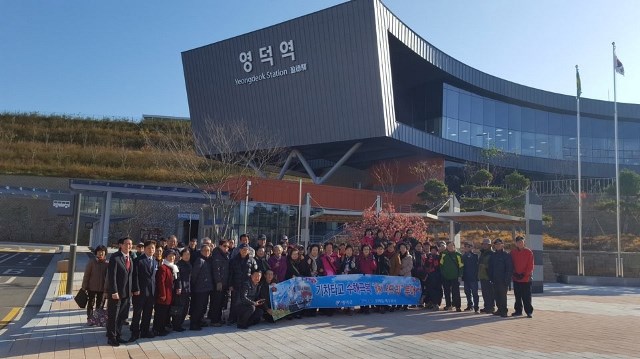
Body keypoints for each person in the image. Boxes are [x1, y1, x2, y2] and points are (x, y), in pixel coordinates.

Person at [106, 237, 134, 347]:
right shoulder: (115, 257)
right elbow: (112, 276)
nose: (129, 246)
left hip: (126, 293)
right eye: (127, 244)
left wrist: (131, 290)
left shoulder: (130, 258)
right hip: (116, 293)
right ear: (121, 245)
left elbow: (130, 276)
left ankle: (118, 335)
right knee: (113, 316)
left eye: (131, 244)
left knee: (121, 316)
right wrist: (114, 291)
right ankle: (111, 337)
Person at [129, 240, 158, 341]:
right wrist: (135, 289)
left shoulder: (155, 261)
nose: (151, 250)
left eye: (153, 248)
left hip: (151, 292)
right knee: (137, 313)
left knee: (148, 313)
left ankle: (145, 331)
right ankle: (135, 332)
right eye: (149, 248)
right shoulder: (138, 260)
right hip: (140, 292)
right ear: (144, 249)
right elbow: (135, 276)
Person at [229, 243, 258, 325]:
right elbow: (231, 273)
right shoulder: (234, 260)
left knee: (245, 302)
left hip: (247, 285)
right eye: (243, 249)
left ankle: (243, 318)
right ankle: (232, 318)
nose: (244, 251)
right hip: (236, 284)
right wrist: (230, 285)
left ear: (249, 251)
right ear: (239, 250)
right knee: (234, 302)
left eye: (246, 250)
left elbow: (255, 272)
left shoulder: (252, 260)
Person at [153, 249, 179, 337]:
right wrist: (163, 294)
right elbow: (161, 282)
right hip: (164, 295)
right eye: (170, 256)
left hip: (170, 294)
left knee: (166, 313)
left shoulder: (173, 267)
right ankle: (158, 329)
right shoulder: (163, 268)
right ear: (166, 257)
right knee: (161, 313)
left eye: (173, 256)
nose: (172, 258)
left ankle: (162, 327)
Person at [81, 245, 108, 325]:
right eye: (99, 252)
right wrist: (84, 286)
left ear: (105, 253)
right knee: (90, 303)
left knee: (100, 305)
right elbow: (87, 275)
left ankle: (97, 319)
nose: (100, 254)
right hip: (91, 287)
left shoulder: (107, 264)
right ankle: (89, 319)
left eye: (102, 252)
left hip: (102, 288)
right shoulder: (92, 262)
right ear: (96, 253)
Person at [190, 245, 213, 330]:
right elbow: (194, 275)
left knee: (203, 307)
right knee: (198, 307)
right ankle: (194, 324)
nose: (207, 252)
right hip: (199, 289)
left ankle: (199, 321)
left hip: (206, 288)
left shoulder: (208, 260)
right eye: (205, 250)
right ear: (201, 251)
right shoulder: (200, 260)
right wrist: (194, 286)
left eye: (208, 251)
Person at [511, 235, 534, 318]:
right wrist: (514, 273)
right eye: (518, 242)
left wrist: (525, 275)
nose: (520, 243)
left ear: (524, 243)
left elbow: (530, 265)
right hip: (516, 278)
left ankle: (529, 312)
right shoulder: (513, 252)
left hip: (526, 279)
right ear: (516, 243)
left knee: (526, 297)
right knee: (517, 297)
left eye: (521, 242)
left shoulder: (528, 252)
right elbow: (511, 264)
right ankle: (518, 311)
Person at [489, 238, 513, 318]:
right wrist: (491, 278)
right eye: (496, 244)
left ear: (502, 245)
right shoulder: (493, 255)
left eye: (499, 244)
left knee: (503, 296)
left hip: (503, 280)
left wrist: (507, 280)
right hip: (495, 279)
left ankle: (504, 311)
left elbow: (509, 268)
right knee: (496, 296)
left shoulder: (506, 255)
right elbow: (491, 267)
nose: (498, 246)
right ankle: (499, 310)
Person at [209, 239, 231, 327]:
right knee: (216, 302)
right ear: (220, 246)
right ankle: (214, 320)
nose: (226, 248)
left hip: (224, 282)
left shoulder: (225, 255)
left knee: (221, 302)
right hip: (219, 283)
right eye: (224, 246)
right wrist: (218, 282)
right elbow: (216, 270)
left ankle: (217, 318)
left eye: (228, 247)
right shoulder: (217, 255)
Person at [440, 241, 463, 312]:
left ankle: (457, 306)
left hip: (455, 277)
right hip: (446, 277)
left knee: (456, 292)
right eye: (448, 246)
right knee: (446, 292)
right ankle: (448, 305)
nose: (450, 247)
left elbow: (461, 266)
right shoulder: (443, 254)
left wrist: (460, 276)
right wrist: (443, 274)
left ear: (454, 246)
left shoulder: (458, 254)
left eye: (451, 246)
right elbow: (441, 265)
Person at [173, 248, 191, 332]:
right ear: (181, 256)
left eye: (188, 255)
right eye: (185, 255)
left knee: (185, 308)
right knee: (179, 308)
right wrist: (179, 287)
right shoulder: (178, 265)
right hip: (181, 290)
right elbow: (178, 278)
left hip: (188, 289)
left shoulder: (189, 264)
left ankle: (180, 323)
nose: (187, 256)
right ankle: (176, 325)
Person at [461, 241, 480, 313]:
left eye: (468, 246)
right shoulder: (463, 256)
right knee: (467, 293)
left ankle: (476, 307)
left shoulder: (475, 256)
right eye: (465, 246)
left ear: (472, 247)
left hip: (473, 278)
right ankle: (469, 305)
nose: (466, 248)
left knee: (475, 293)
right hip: (466, 278)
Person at [478, 238, 495, 314]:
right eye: (483, 244)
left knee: (490, 293)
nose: (484, 245)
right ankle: (486, 306)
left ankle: (491, 307)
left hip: (488, 276)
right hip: (482, 276)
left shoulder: (492, 253)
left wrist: (485, 266)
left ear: (489, 245)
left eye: (486, 244)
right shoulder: (482, 253)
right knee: (484, 293)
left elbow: (492, 265)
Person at [373, 243, 390, 313]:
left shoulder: (385, 258)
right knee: (376, 292)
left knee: (383, 292)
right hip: (375, 278)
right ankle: (377, 306)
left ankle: (383, 306)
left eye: (381, 249)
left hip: (383, 278)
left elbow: (388, 268)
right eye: (378, 249)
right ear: (376, 250)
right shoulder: (374, 257)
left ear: (383, 250)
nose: (379, 250)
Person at [424, 245, 443, 310]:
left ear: (437, 251)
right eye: (432, 250)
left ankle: (437, 303)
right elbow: (426, 265)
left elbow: (441, 266)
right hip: (430, 276)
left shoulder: (439, 257)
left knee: (438, 290)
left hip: (438, 276)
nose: (433, 251)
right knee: (431, 290)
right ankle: (433, 303)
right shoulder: (428, 257)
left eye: (434, 250)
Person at [397, 243, 413, 310]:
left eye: (404, 247)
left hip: (406, 275)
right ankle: (399, 304)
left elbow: (410, 266)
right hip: (399, 276)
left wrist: (402, 272)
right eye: (401, 247)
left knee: (406, 291)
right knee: (399, 290)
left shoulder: (409, 257)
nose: (402, 249)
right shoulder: (398, 256)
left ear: (406, 249)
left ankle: (405, 304)